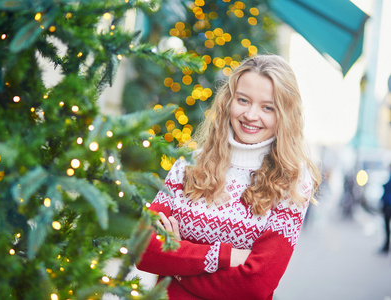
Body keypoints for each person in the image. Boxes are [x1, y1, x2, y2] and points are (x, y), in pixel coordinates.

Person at [136, 54, 321, 299]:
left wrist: (177, 267)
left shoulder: (293, 182)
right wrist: (228, 256)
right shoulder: (188, 166)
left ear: (285, 114)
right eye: (243, 100)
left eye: (268, 107)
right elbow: (143, 248)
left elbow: (255, 285)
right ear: (228, 101)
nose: (251, 115)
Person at [379, 164, 391, 254]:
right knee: (386, 227)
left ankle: (386, 246)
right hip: (387, 204)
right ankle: (386, 245)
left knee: (387, 227)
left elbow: (387, 188)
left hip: (388, 205)